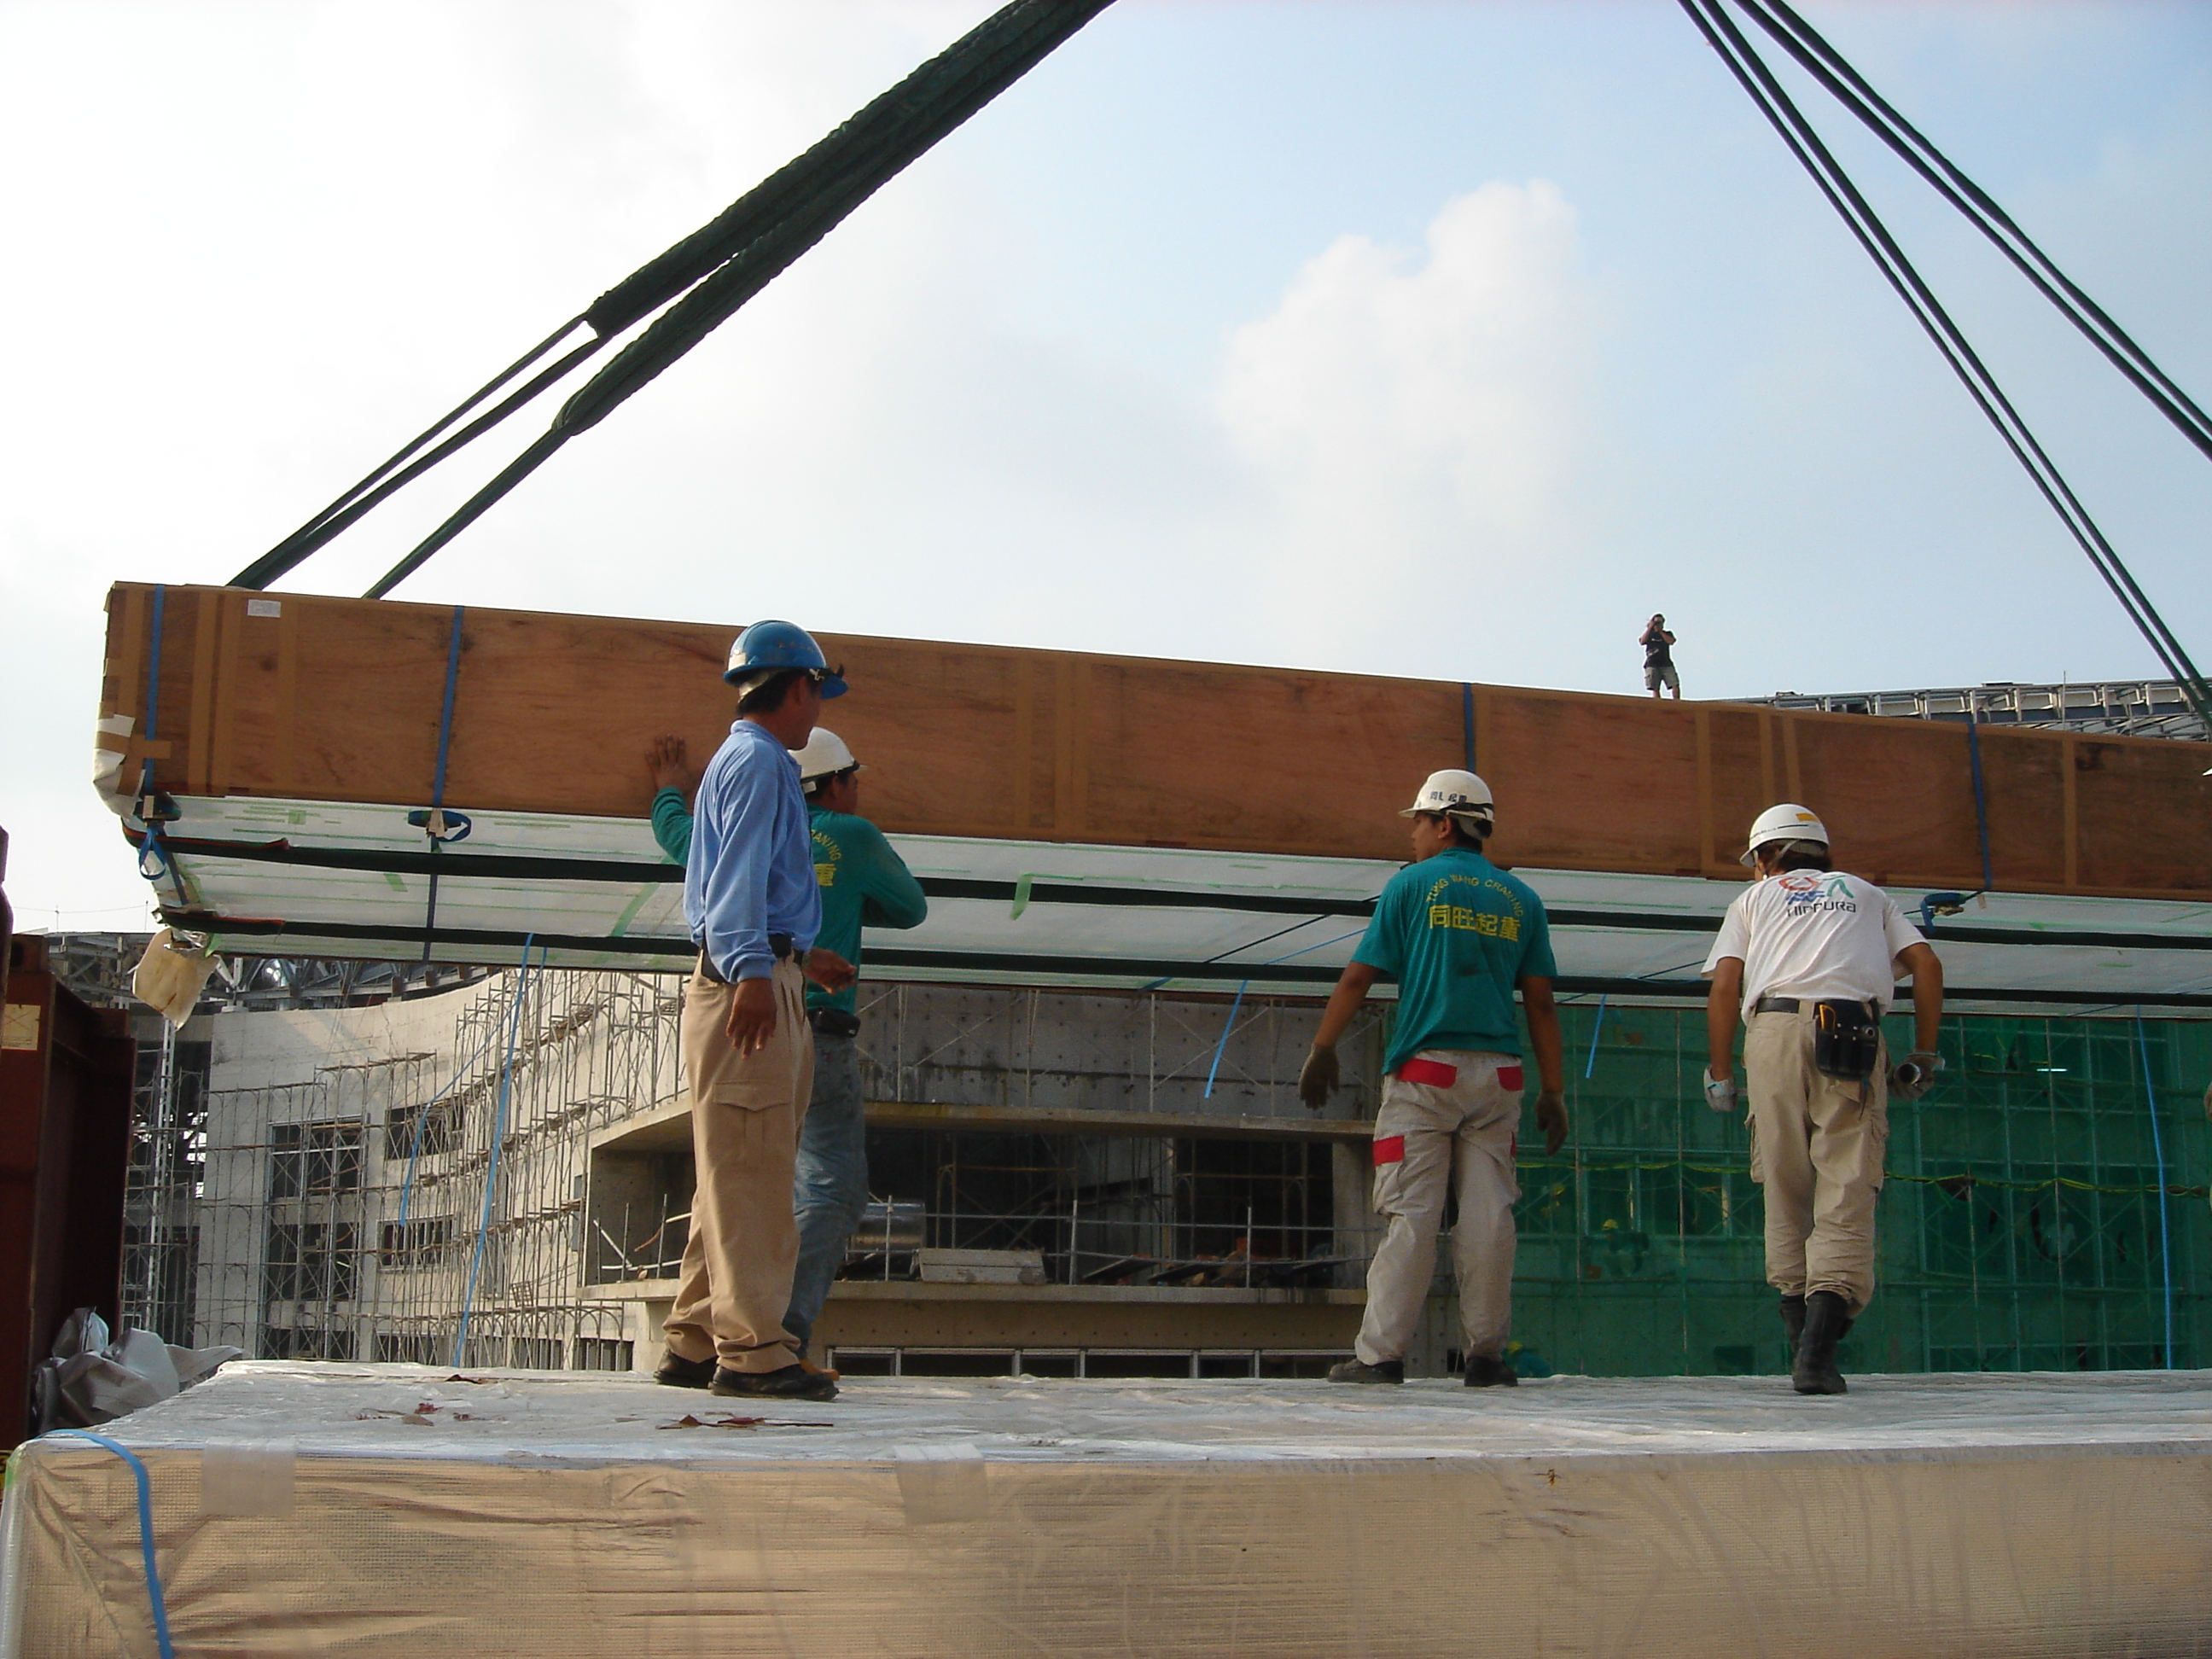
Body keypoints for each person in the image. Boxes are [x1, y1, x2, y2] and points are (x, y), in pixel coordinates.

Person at [646, 725, 928, 1365]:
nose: (857, 789)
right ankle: (775, 1333)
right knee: (820, 1188)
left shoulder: (758, 826)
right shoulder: (845, 834)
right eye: (852, 777)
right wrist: (849, 904)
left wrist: (667, 790)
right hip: (797, 1019)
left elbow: (682, 842)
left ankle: (690, 1340)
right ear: (830, 783)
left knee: (728, 1178)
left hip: (765, 998)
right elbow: (911, 908)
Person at [1298, 769, 1567, 1387]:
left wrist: (1323, 1046)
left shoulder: (1411, 886)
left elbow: (1358, 977)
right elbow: (1543, 1004)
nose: (1412, 836)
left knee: (1412, 1215)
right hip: (1499, 1078)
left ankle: (1381, 1356)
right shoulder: (1521, 900)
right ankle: (1487, 1356)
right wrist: (1553, 1091)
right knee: (1489, 1216)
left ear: (1444, 823)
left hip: (1424, 1075)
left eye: (1417, 822)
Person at [654, 620, 855, 1403]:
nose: (818, 714)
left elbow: (744, 878)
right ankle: (754, 1351)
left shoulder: (746, 761)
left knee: (734, 1166)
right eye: (817, 695)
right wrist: (752, 970)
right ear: (797, 686)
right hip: (747, 979)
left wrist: (795, 959)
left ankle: (698, 1337)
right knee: (754, 1172)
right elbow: (735, 877)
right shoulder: (762, 763)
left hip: (765, 970)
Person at [1702, 803, 1945, 1395]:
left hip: (1774, 1032)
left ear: (1765, 857)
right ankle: (1817, 1355)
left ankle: (1800, 1340)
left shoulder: (1753, 901)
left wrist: (1719, 1073)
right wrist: (1926, 1053)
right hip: (1852, 1032)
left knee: (1785, 1179)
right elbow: (1927, 965)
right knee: (1847, 1180)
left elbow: (1726, 984)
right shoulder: (1866, 895)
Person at [1641, 614, 1679, 700]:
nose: (1658, 624)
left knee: (1674, 684)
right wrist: (1650, 628)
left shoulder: (1667, 633)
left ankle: (1677, 702)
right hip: (1652, 664)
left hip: (1666, 663)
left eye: (1660, 622)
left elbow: (1671, 641)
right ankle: (1658, 703)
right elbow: (1642, 641)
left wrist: (1660, 632)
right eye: (1656, 622)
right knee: (1655, 687)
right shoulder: (1649, 635)